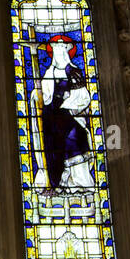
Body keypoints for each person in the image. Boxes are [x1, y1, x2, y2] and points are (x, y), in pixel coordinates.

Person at [34, 36, 95, 191]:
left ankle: (79, 182)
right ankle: (61, 181)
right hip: (52, 117)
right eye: (55, 49)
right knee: (53, 145)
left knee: (74, 137)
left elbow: (83, 97)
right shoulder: (50, 73)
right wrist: (38, 92)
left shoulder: (73, 72)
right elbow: (45, 97)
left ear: (67, 51)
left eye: (61, 48)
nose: (58, 52)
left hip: (70, 116)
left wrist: (67, 106)